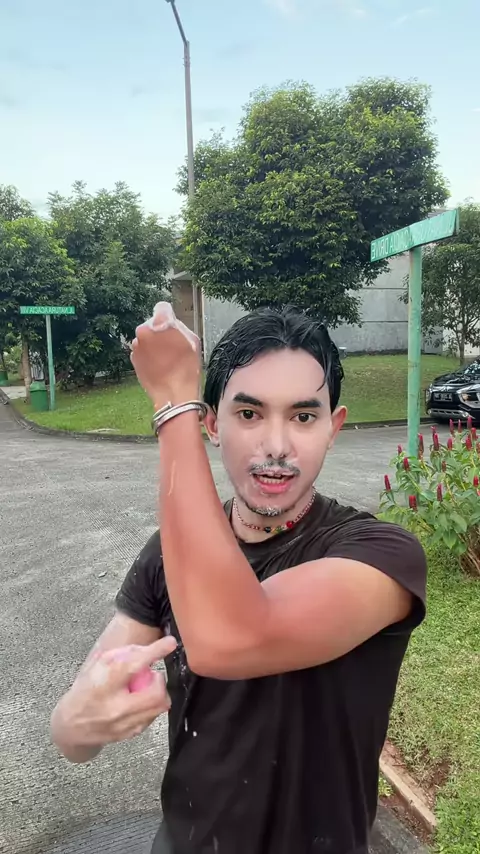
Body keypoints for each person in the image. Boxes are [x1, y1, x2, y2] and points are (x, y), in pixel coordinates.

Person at [51, 304, 427, 854]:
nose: (276, 445)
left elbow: (230, 636)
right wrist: (77, 723)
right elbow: (73, 729)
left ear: (334, 427)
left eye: (303, 417)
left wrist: (171, 401)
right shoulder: (171, 555)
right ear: (212, 424)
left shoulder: (382, 555)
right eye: (249, 414)